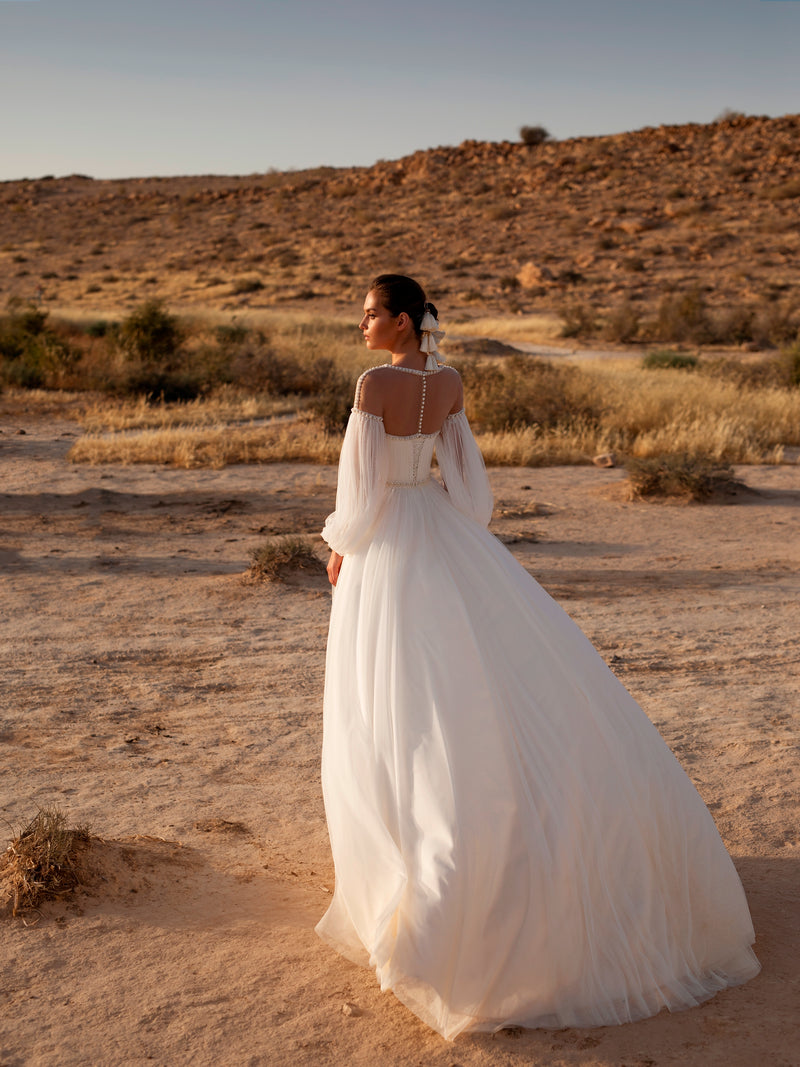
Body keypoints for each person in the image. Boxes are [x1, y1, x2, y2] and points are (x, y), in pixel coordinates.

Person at [316, 274, 760, 1042]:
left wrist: (341, 545)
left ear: (401, 319)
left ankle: (422, 873)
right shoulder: (447, 380)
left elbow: (357, 493)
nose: (361, 325)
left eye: (369, 314)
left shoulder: (373, 384)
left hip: (389, 542)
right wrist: (457, 539)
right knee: (466, 682)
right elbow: (470, 489)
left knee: (394, 697)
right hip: (442, 535)